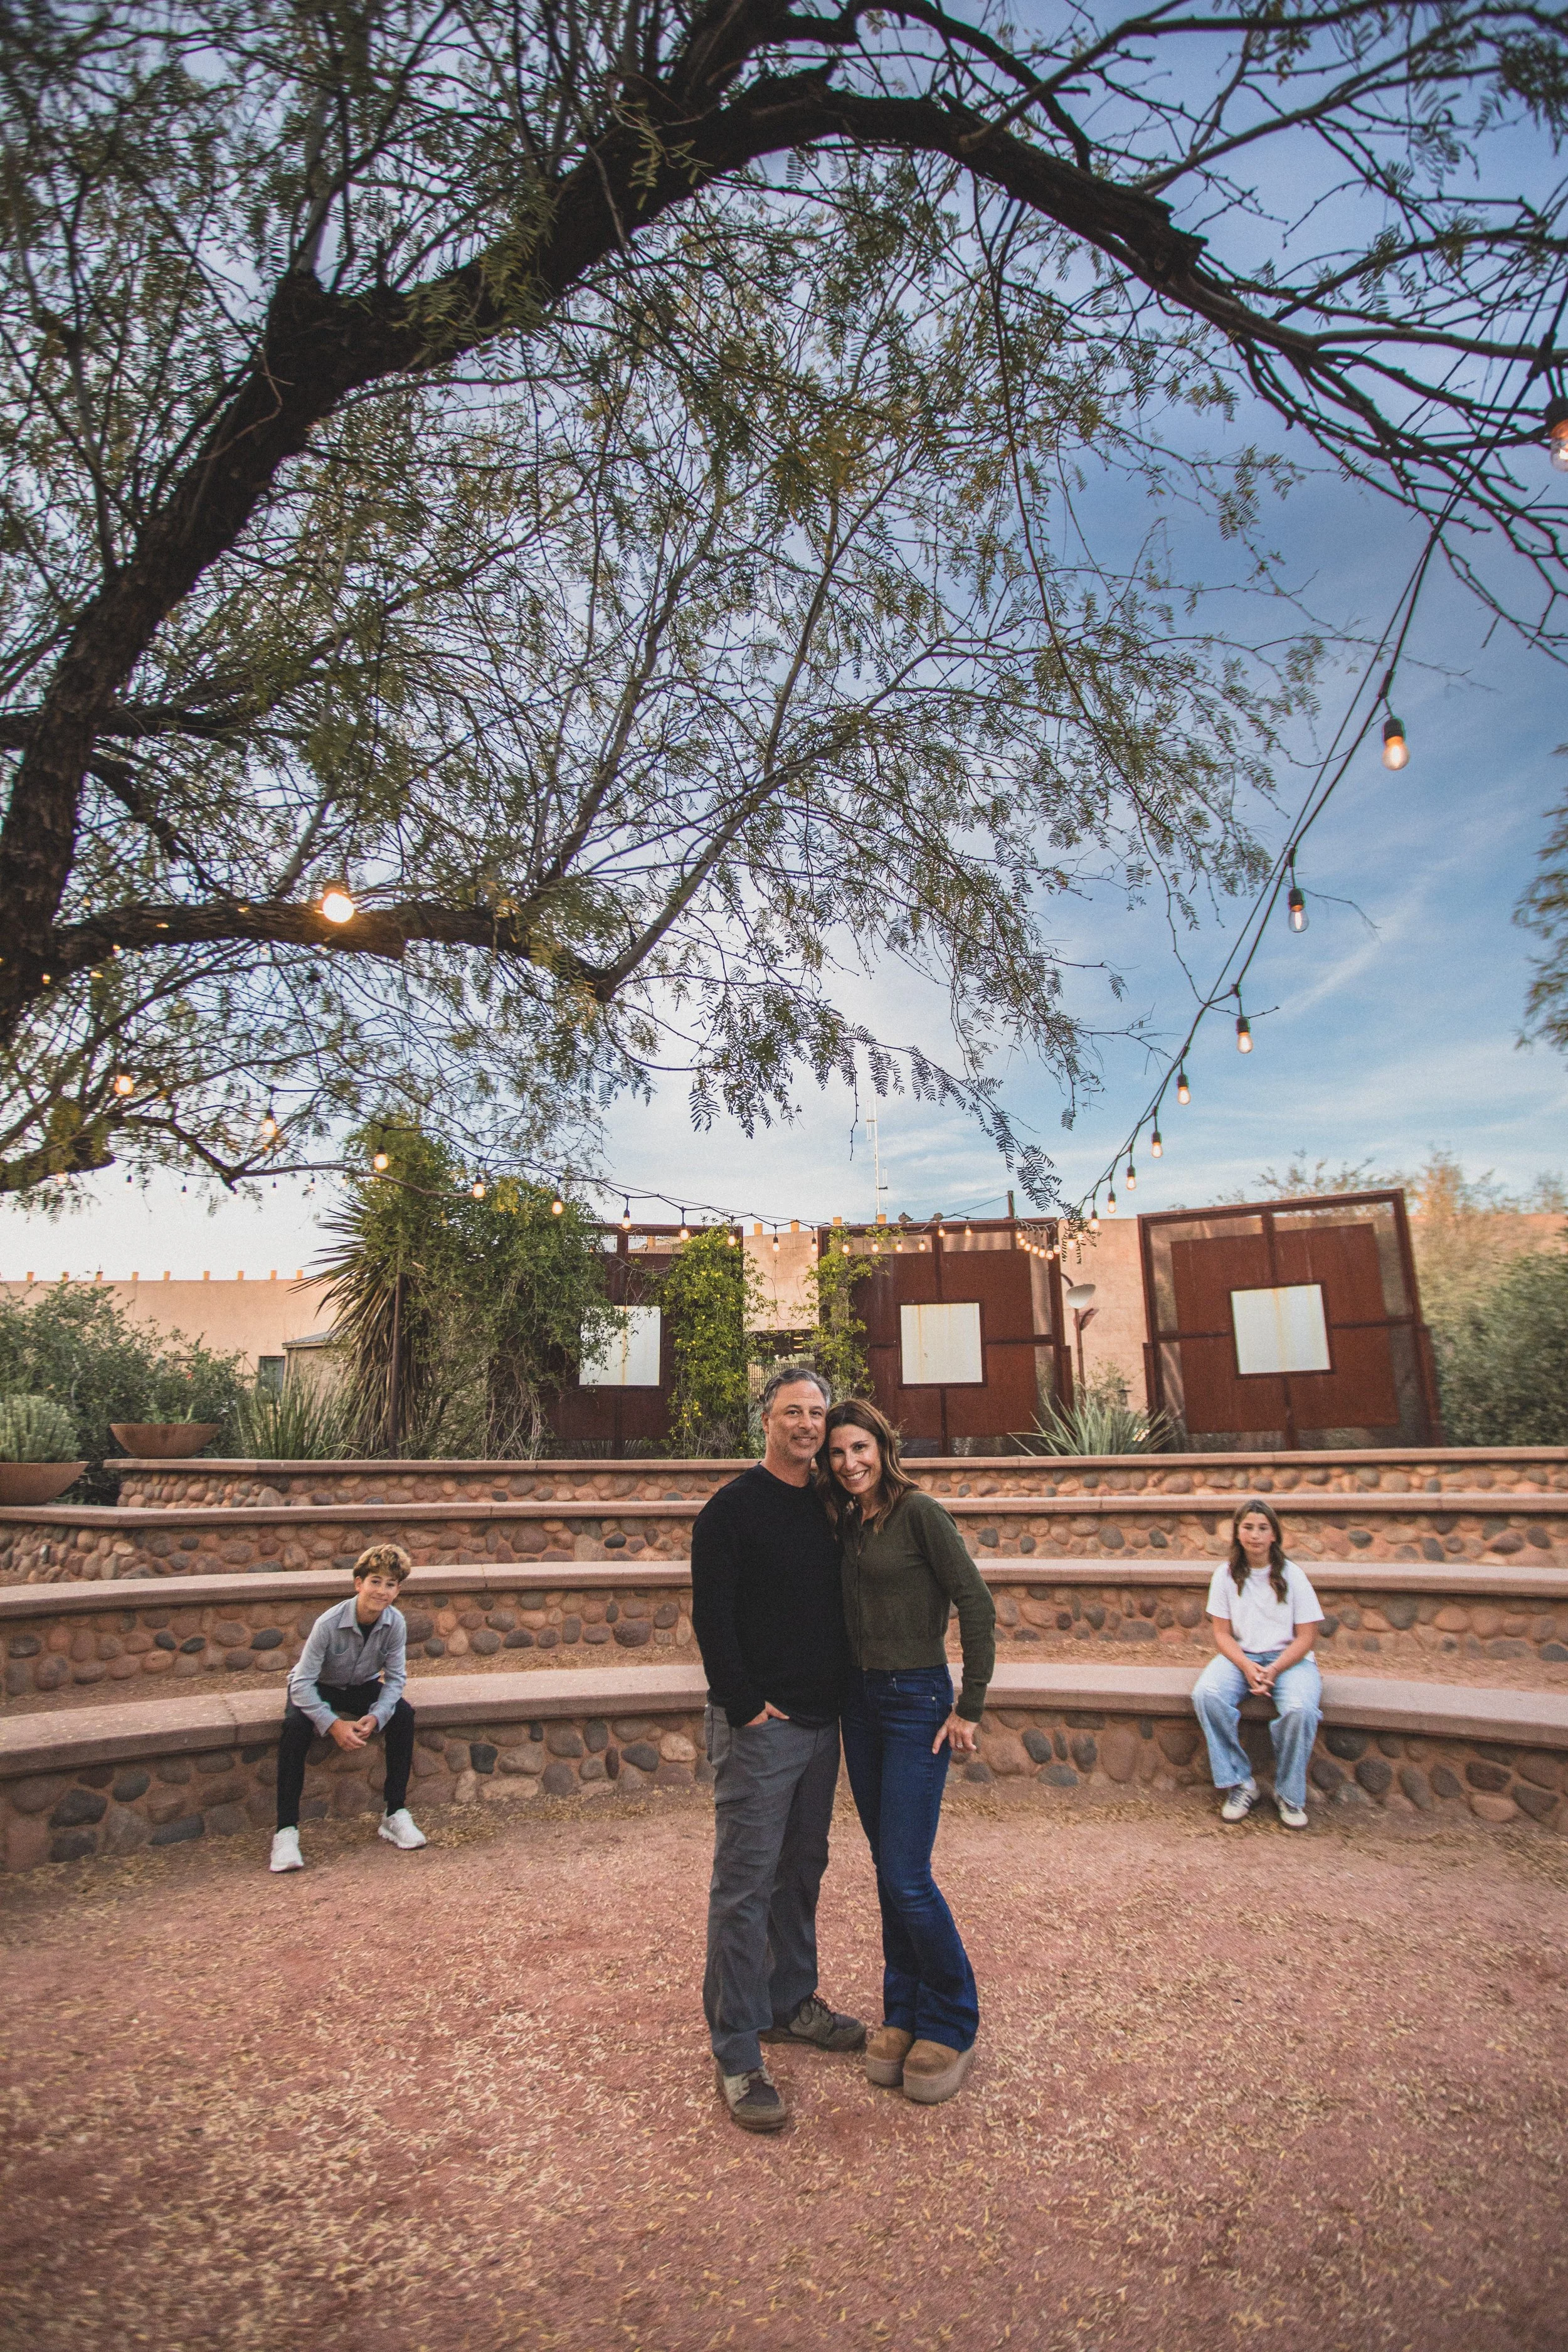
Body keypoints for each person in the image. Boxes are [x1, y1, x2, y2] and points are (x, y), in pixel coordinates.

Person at [691, 1365, 866, 2134]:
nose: (805, 1424)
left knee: (801, 1872)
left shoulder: (832, 1506)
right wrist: (743, 1705)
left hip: (821, 1725)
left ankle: (788, 2004)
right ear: (766, 1419)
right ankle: (735, 2046)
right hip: (762, 1729)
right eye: (792, 1411)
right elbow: (712, 1616)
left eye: (816, 1413)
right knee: (745, 1885)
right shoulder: (731, 1509)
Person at [822, 1397, 995, 2107]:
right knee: (886, 1868)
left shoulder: (918, 1512)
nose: (848, 1463)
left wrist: (970, 1703)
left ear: (883, 1447)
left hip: (916, 1702)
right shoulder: (843, 1522)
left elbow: (975, 1602)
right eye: (836, 1453)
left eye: (859, 1448)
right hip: (857, 1707)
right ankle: (902, 2011)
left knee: (905, 1871)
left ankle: (952, 2017)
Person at [270, 1542, 426, 1870]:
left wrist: (378, 1714)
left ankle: (394, 1813)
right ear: (359, 1583)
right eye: (375, 1581)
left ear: (398, 1590)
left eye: (391, 1584)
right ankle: (286, 1832)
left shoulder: (395, 1623)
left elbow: (396, 1679)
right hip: (316, 1686)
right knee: (295, 1727)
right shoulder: (328, 1624)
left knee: (403, 1715)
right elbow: (300, 1683)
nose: (381, 1591)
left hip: (358, 1686)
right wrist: (332, 1724)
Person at [1191, 1498, 1325, 1830]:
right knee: (1207, 1694)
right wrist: (1249, 1667)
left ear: (1274, 1536)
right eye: (1248, 1527)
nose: (1255, 1535)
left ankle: (1289, 1795)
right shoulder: (1224, 1576)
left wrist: (1275, 1669)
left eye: (1263, 1528)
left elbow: (1307, 1637)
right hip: (1241, 1658)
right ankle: (1240, 1783)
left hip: (1290, 1661)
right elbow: (1222, 1635)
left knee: (1300, 1710)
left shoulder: (1293, 1576)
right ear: (1237, 1533)